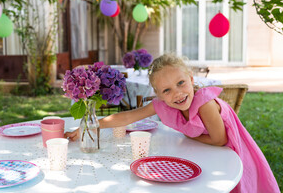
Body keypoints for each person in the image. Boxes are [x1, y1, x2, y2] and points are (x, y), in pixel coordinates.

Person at [65, 53, 280, 193]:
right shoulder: (162, 105)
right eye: (167, 90)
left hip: (232, 154)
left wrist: (189, 135)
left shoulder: (204, 102)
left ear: (191, 80)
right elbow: (127, 116)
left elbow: (220, 139)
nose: (177, 93)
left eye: (181, 83)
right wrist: (89, 126)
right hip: (205, 154)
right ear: (157, 94)